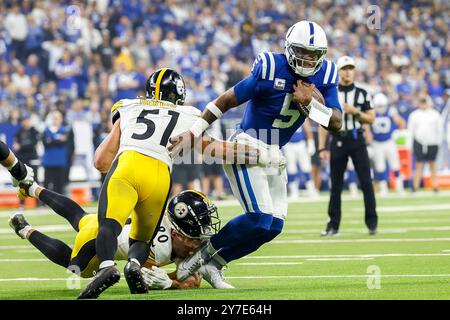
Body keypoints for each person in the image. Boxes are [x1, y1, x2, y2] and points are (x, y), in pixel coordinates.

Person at [169, 20, 342, 281]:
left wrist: (311, 105)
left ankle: (214, 264)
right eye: (302, 53)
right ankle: (198, 257)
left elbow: (337, 123)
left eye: (313, 55)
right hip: (248, 145)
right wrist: (194, 132)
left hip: (275, 151)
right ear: (289, 48)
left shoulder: (326, 76)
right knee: (259, 219)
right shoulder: (271, 68)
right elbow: (224, 100)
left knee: (273, 226)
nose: (307, 60)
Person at [78, 68, 262, 299]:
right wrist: (254, 154)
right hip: (160, 176)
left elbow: (101, 161)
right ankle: (134, 263)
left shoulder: (129, 107)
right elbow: (212, 149)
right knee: (142, 238)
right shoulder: (189, 114)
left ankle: (106, 267)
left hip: (128, 165)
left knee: (108, 224)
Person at [9, 185, 232, 290]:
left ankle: (34, 188)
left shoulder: (175, 233)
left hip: (112, 224)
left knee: (80, 217)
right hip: (97, 238)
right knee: (77, 268)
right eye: (193, 237)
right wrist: (170, 284)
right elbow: (141, 279)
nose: (198, 242)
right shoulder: (160, 245)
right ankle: (25, 229)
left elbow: (191, 277)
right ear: (175, 232)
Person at [318, 56, 377, 236]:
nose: (347, 72)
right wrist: (322, 148)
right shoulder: (331, 92)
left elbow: (371, 118)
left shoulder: (362, 93)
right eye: (344, 68)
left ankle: (372, 223)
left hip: (357, 139)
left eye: (350, 68)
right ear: (339, 71)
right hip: (338, 140)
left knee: (366, 182)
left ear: (354, 71)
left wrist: (355, 112)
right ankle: (333, 225)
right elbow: (323, 122)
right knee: (335, 185)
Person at [369, 92, 406, 195]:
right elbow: (367, 127)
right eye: (379, 105)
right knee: (380, 166)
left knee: (395, 165)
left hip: (389, 141)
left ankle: (399, 187)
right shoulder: (372, 112)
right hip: (376, 143)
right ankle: (383, 188)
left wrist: (398, 131)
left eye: (382, 105)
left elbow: (401, 122)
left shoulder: (391, 111)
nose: (380, 107)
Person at [408, 95, 444, 192]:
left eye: (425, 102)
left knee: (432, 164)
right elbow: (411, 131)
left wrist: (438, 142)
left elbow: (440, 130)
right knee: (419, 164)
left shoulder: (435, 114)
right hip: (419, 142)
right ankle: (415, 187)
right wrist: (409, 145)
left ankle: (435, 186)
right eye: (422, 102)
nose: (423, 104)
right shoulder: (414, 115)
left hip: (432, 142)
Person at [283, 119, 319, 198]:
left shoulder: (301, 113)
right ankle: (293, 191)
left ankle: (311, 190)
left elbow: (308, 129)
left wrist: (310, 142)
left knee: (306, 168)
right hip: (288, 144)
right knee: (291, 169)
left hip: (301, 144)